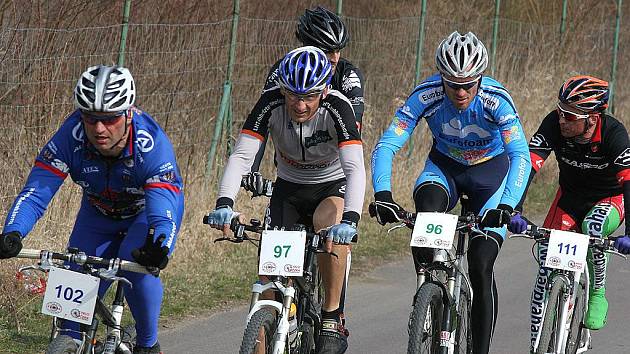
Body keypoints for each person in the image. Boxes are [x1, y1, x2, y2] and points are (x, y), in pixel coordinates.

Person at [0, 65, 184, 354]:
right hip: (97, 214)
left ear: (128, 113)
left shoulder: (151, 145)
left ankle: (149, 344)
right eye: (90, 118)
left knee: (137, 270)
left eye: (109, 119)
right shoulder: (70, 137)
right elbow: (37, 192)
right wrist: (13, 230)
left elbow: (164, 208)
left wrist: (160, 243)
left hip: (143, 215)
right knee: (72, 300)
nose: (99, 128)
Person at [370, 31, 530, 354]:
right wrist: (383, 193)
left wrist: (508, 205)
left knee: (480, 265)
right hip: (445, 168)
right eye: (453, 84)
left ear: (480, 79)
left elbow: (521, 157)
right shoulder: (426, 95)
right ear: (441, 77)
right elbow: (387, 145)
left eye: (469, 84)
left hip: (491, 175)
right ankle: (428, 290)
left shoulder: (496, 101)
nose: (461, 91)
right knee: (425, 210)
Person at [205, 46, 365, 354]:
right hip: (288, 189)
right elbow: (241, 156)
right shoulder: (271, 103)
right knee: (268, 283)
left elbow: (355, 168)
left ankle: (332, 315)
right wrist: (225, 204)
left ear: (324, 90)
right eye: (292, 95)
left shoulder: (337, 108)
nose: (300, 105)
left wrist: (350, 221)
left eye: (309, 96)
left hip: (330, 186)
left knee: (328, 227)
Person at [507, 75, 630, 350]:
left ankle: (597, 292)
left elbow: (629, 183)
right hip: (570, 197)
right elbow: (529, 165)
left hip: (610, 198)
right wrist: (514, 208)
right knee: (545, 266)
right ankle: (536, 345)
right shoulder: (553, 124)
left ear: (593, 118)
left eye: (570, 116)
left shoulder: (614, 134)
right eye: (561, 112)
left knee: (594, 228)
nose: (562, 120)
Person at [248, 6, 365, 174]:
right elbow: (263, 121)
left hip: (332, 169)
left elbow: (354, 128)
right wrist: (253, 170)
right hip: (292, 167)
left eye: (338, 50)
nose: (335, 57)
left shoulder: (349, 76)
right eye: (327, 51)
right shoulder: (285, 71)